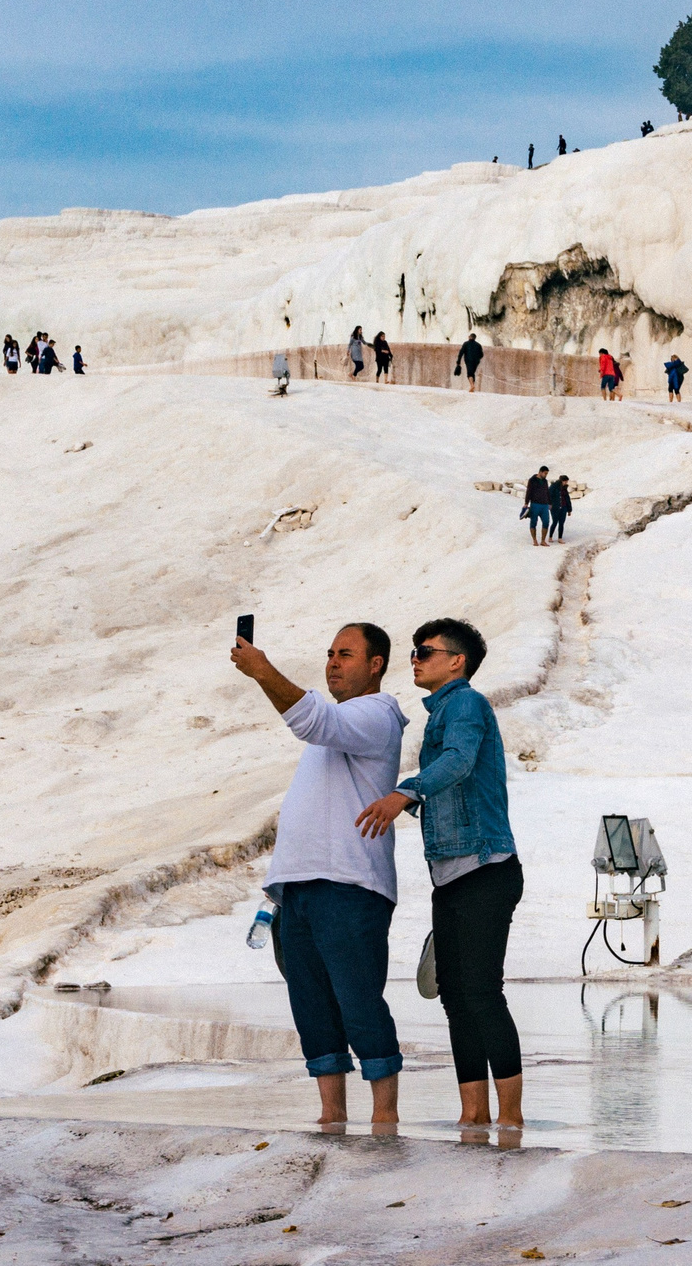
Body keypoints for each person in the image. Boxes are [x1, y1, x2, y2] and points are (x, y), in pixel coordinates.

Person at [229, 622, 409, 1125]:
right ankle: (331, 1117)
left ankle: (384, 1119)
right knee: (311, 1005)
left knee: (358, 1000)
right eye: (329, 652)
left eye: (346, 654)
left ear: (375, 665)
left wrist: (262, 671)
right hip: (301, 888)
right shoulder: (338, 724)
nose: (332, 662)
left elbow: (311, 720)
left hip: (349, 884)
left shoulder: (375, 715)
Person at [352, 619, 524, 1129]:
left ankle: (511, 1119)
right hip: (452, 874)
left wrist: (406, 791)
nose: (415, 658)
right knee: (454, 994)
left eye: (426, 651)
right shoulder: (441, 712)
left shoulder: (466, 703)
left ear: (457, 661)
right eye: (413, 651)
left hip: (485, 867)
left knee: (481, 992)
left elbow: (461, 760)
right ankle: (474, 1115)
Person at [522, 466, 553, 547]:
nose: (546, 475)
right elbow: (529, 491)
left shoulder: (545, 481)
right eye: (545, 473)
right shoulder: (532, 480)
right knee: (533, 522)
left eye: (547, 473)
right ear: (540, 472)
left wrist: (550, 503)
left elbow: (547, 492)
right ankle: (535, 540)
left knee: (546, 522)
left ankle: (543, 541)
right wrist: (526, 503)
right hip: (535, 504)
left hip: (544, 505)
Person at [549, 474, 573, 542]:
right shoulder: (554, 486)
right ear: (561, 481)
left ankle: (560, 538)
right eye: (565, 481)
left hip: (564, 507)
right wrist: (550, 504)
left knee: (562, 523)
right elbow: (549, 495)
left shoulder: (565, 488)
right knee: (555, 522)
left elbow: (567, 499)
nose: (566, 483)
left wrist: (569, 509)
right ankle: (550, 537)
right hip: (555, 507)